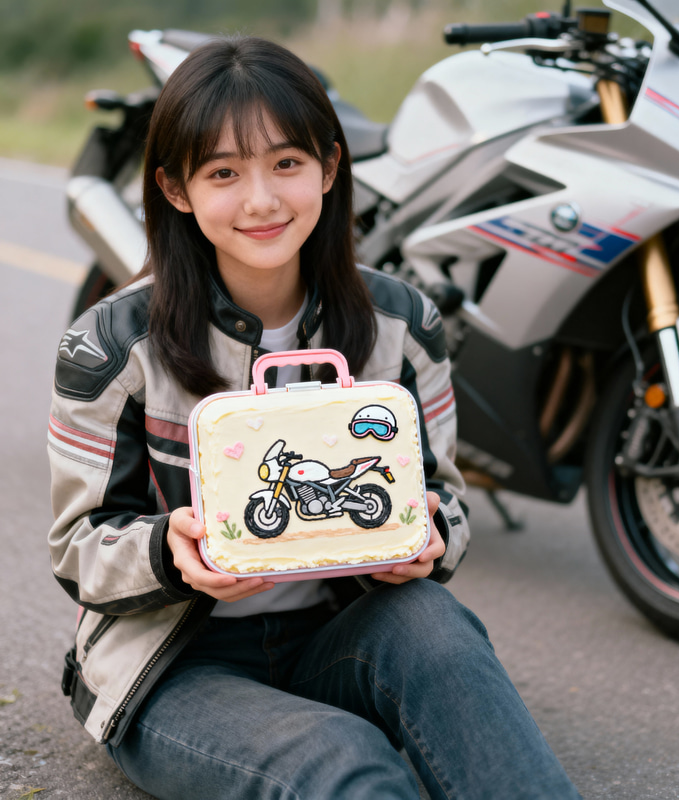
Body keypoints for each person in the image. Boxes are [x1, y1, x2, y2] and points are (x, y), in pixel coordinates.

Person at [47, 36, 581, 800]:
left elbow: (447, 499)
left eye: (287, 163)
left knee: (437, 625)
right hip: (172, 664)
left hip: (338, 634)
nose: (262, 200)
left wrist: (431, 537)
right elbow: (76, 548)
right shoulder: (110, 344)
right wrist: (170, 549)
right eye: (224, 173)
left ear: (330, 167)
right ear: (174, 188)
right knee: (343, 761)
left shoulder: (404, 326)